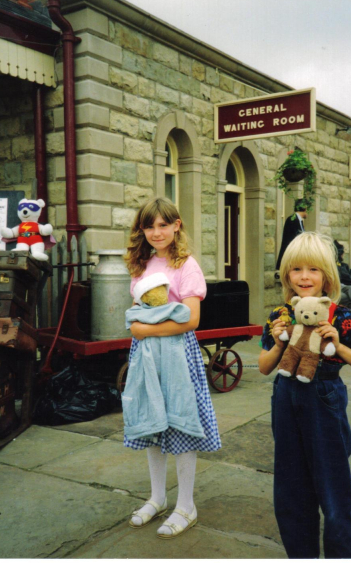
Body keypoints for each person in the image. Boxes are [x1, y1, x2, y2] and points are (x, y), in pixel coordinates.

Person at [259, 232, 351, 559]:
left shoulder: (343, 316)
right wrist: (280, 343)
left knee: (333, 490)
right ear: (287, 276)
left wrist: (338, 345)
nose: (305, 277)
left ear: (326, 275)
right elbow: (265, 366)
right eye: (296, 269)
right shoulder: (279, 314)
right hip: (285, 397)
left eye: (313, 269)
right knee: (290, 488)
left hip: (324, 398)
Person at [123, 197, 221, 539]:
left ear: (177, 225)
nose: (156, 232)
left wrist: (144, 330)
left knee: (180, 424)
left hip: (178, 353)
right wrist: (139, 330)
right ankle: (157, 496)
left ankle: (186, 504)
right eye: (149, 226)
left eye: (163, 225)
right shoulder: (142, 264)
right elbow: (138, 309)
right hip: (146, 355)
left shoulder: (186, 265)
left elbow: (191, 319)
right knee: (152, 421)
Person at [276, 199, 307, 270]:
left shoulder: (299, 221)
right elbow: (292, 240)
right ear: (304, 208)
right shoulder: (292, 220)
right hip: (291, 258)